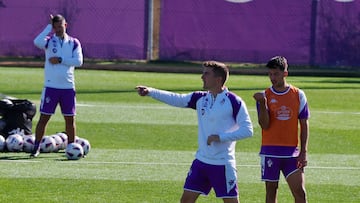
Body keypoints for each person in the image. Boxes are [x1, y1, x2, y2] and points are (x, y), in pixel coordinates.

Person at [136, 61, 253, 203]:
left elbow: (248, 130)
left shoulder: (234, 101)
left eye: (206, 74)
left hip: (223, 164)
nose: (202, 77)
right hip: (201, 162)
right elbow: (177, 99)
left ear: (218, 79)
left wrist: (220, 137)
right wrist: (151, 92)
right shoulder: (200, 98)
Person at [253, 56, 310, 203]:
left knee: (300, 193)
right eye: (270, 74)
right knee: (271, 192)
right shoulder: (264, 95)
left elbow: (304, 124)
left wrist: (303, 152)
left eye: (276, 74)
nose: (272, 77)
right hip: (270, 152)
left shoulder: (298, 95)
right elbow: (264, 125)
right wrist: (262, 103)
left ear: (285, 73)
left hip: (292, 153)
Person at [31, 14, 83, 158]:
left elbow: (79, 61)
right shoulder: (49, 41)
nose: (59, 29)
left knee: (70, 119)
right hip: (51, 87)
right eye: (56, 27)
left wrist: (60, 59)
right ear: (53, 27)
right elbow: (36, 41)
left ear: (65, 26)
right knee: (44, 118)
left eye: (61, 26)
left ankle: (71, 147)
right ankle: (36, 147)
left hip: (67, 87)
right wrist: (48, 27)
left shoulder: (73, 42)